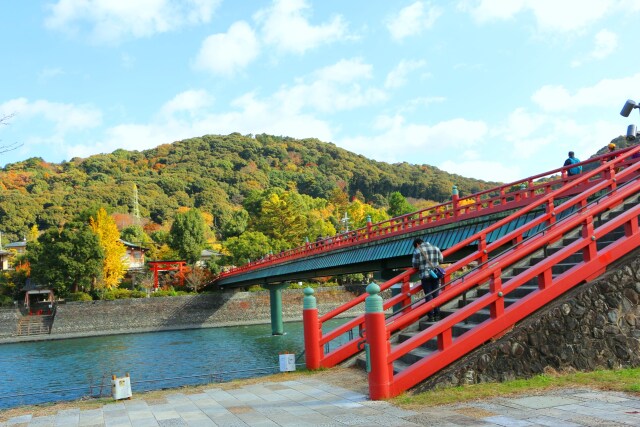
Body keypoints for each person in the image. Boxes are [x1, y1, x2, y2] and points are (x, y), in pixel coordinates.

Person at [412, 238, 443, 322]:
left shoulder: (417, 251)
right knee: (436, 294)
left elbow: (415, 265)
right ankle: (437, 314)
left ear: (417, 244)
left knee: (428, 295)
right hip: (435, 275)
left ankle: (431, 316)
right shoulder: (436, 248)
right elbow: (441, 260)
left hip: (425, 276)